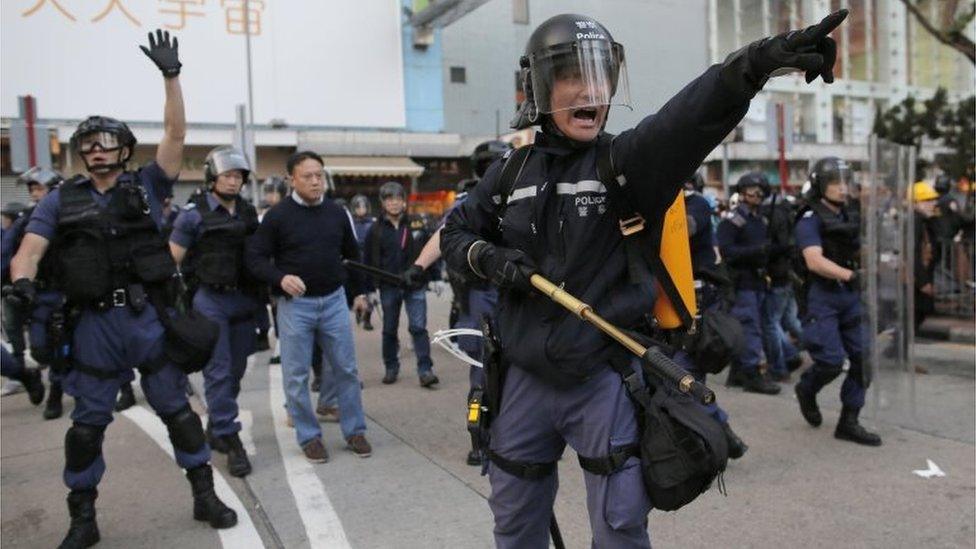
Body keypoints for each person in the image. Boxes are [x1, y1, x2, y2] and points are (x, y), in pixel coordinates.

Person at [441, 11, 847, 547]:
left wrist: (756, 63)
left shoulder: (627, 162)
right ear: (540, 87)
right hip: (522, 379)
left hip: (604, 378)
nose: (591, 89)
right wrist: (489, 260)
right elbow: (456, 235)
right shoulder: (510, 171)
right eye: (570, 75)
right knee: (514, 523)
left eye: (601, 74)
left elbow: (689, 116)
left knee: (619, 530)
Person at [9, 30, 238, 547]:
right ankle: (83, 519)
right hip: (93, 324)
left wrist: (171, 76)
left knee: (177, 412)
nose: (95, 150)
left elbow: (176, 137)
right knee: (86, 427)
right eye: (87, 144)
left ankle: (204, 493)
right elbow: (30, 251)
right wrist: (21, 286)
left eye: (105, 141)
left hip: (147, 319)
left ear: (124, 148)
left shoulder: (148, 186)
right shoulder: (59, 201)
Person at [246, 150, 372, 462]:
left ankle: (355, 430)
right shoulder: (277, 217)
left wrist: (359, 293)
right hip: (296, 306)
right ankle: (308, 435)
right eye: (308, 176)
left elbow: (351, 256)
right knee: (296, 374)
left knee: (346, 368)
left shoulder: (336, 213)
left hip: (333, 301)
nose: (316, 182)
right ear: (292, 180)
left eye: (319, 175)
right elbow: (255, 259)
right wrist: (280, 278)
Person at [169, 145, 263, 477]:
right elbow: (171, 261)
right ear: (212, 177)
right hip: (210, 300)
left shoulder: (248, 213)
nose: (234, 181)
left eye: (238, 175)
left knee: (236, 371)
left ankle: (218, 426)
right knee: (218, 372)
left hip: (243, 300)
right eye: (227, 175)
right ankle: (233, 441)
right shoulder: (192, 215)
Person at [794, 156, 881, 446]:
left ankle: (849, 421)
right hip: (823, 297)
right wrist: (850, 275)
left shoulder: (847, 214)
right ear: (820, 184)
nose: (843, 188)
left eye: (846, 182)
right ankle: (807, 389)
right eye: (835, 182)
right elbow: (814, 261)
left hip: (849, 297)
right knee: (830, 362)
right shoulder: (809, 218)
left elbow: (857, 250)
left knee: (863, 360)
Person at [4, 167, 67, 419]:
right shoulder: (27, 219)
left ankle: (57, 392)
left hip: (66, 292)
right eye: (31, 189)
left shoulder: (71, 217)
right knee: (40, 349)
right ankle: (37, 377)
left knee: (63, 344)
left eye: (39, 188)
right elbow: (6, 249)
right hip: (38, 294)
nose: (34, 193)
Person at [364, 181, 438, 387]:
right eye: (389, 199)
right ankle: (391, 367)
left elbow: (430, 251)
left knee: (418, 328)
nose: (394, 203)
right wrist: (369, 289)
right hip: (388, 286)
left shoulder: (416, 224)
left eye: (398, 199)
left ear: (404, 202)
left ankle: (425, 370)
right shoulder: (375, 229)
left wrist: (437, 277)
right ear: (382, 203)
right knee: (389, 329)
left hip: (415, 285)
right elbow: (367, 260)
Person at [716, 172, 782, 395]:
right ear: (742, 192)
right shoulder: (734, 220)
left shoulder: (761, 219)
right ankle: (752, 373)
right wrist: (755, 252)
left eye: (760, 190)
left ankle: (738, 371)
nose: (757, 194)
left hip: (758, 281)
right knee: (749, 327)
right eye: (752, 189)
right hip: (741, 282)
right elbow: (725, 250)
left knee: (758, 327)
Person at [760, 182, 803, 381]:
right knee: (787, 320)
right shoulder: (786, 211)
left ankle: (779, 366)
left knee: (771, 322)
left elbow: (775, 246)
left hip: (776, 274)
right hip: (787, 272)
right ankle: (794, 353)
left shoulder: (770, 213)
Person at [912, 181, 940, 330]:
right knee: (916, 315)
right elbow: (912, 252)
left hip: (920, 278)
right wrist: (923, 282)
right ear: (915, 203)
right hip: (917, 281)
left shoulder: (924, 221)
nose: (933, 203)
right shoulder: (915, 221)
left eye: (933, 200)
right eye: (927, 200)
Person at [350, 194, 376, 331]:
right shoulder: (351, 224)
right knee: (359, 291)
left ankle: (368, 319)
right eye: (358, 207)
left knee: (370, 293)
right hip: (356, 261)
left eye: (364, 206)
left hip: (369, 262)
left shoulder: (372, 223)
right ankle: (359, 311)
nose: (361, 209)